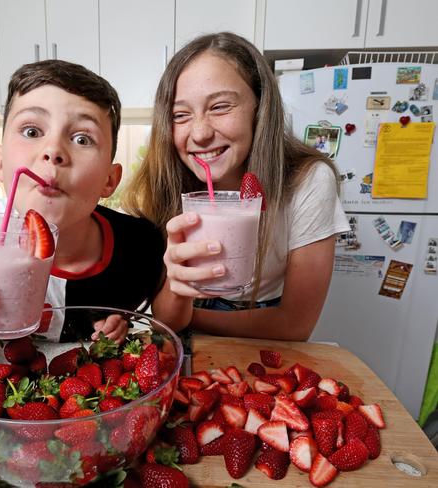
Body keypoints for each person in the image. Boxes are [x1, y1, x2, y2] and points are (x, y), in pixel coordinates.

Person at [122, 32, 350, 341]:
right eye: (180, 114)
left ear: (260, 107)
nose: (200, 133)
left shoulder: (307, 181)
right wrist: (176, 294)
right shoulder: (159, 185)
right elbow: (167, 319)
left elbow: (294, 325)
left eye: (220, 107)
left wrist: (187, 317)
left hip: (265, 332)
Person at [0, 60, 164, 345]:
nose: (53, 151)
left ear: (110, 179)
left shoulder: (140, 247)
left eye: (82, 138)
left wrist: (120, 325)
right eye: (31, 132)